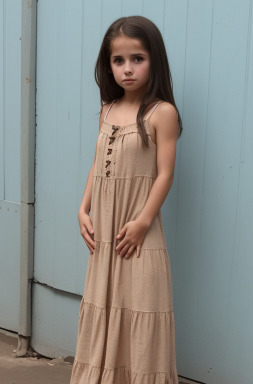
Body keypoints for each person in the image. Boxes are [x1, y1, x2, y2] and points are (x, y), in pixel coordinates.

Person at [70, 15, 183, 384]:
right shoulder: (107, 109)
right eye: (118, 61)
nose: (127, 69)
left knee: (142, 308)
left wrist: (142, 223)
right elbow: (96, 163)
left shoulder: (161, 112)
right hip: (104, 233)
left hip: (139, 231)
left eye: (138, 58)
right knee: (103, 306)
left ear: (155, 60)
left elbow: (165, 173)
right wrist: (82, 208)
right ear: (109, 65)